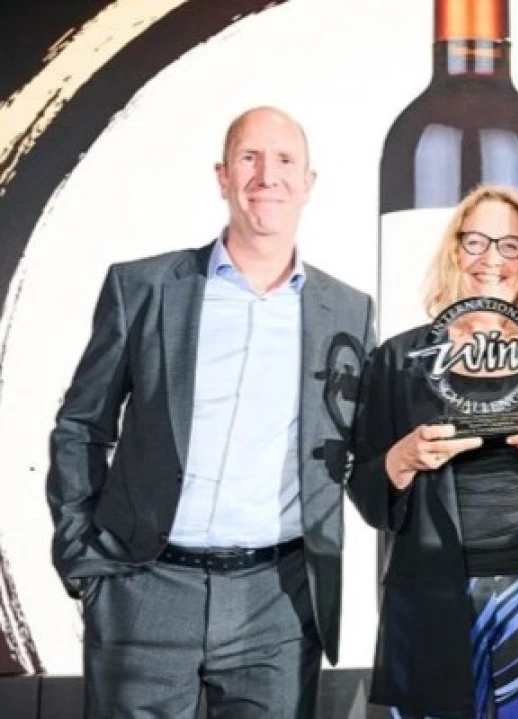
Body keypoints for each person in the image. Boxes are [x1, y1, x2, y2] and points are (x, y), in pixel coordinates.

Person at [46, 106, 375, 718]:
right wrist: (81, 554)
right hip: (144, 589)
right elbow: (81, 426)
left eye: (285, 161)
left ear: (308, 183)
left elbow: (358, 449)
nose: (267, 175)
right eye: (250, 158)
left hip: (278, 602)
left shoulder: (350, 310)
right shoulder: (142, 288)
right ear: (223, 177)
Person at [348, 184, 518, 719]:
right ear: (453, 249)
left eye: (510, 245)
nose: (491, 260)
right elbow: (365, 493)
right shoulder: (399, 359)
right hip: (432, 596)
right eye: (475, 241)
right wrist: (403, 458)